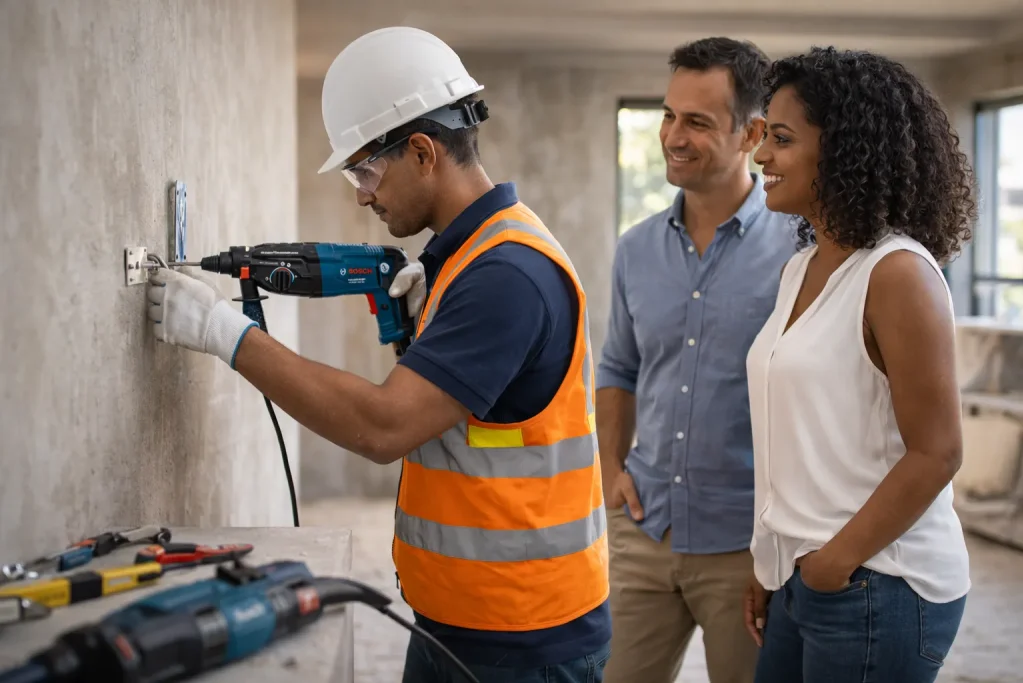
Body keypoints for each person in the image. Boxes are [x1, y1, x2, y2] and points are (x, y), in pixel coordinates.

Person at [146, 26, 611, 683]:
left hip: (522, 638)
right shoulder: (473, 256)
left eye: (365, 169)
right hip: (462, 619)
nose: (362, 194)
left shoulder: (505, 275)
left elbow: (384, 426)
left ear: (422, 152)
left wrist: (227, 333)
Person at [744, 46, 975, 683]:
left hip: (877, 582)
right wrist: (772, 559)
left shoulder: (897, 274)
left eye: (781, 139)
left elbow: (937, 452)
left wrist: (834, 563)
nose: (761, 156)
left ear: (845, 150)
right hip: (803, 572)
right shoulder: (800, 269)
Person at [596, 37, 797, 683]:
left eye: (698, 122)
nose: (673, 137)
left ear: (752, 134)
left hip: (747, 544)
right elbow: (618, 368)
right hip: (644, 526)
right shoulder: (635, 250)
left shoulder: (802, 250)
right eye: (668, 115)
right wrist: (610, 470)